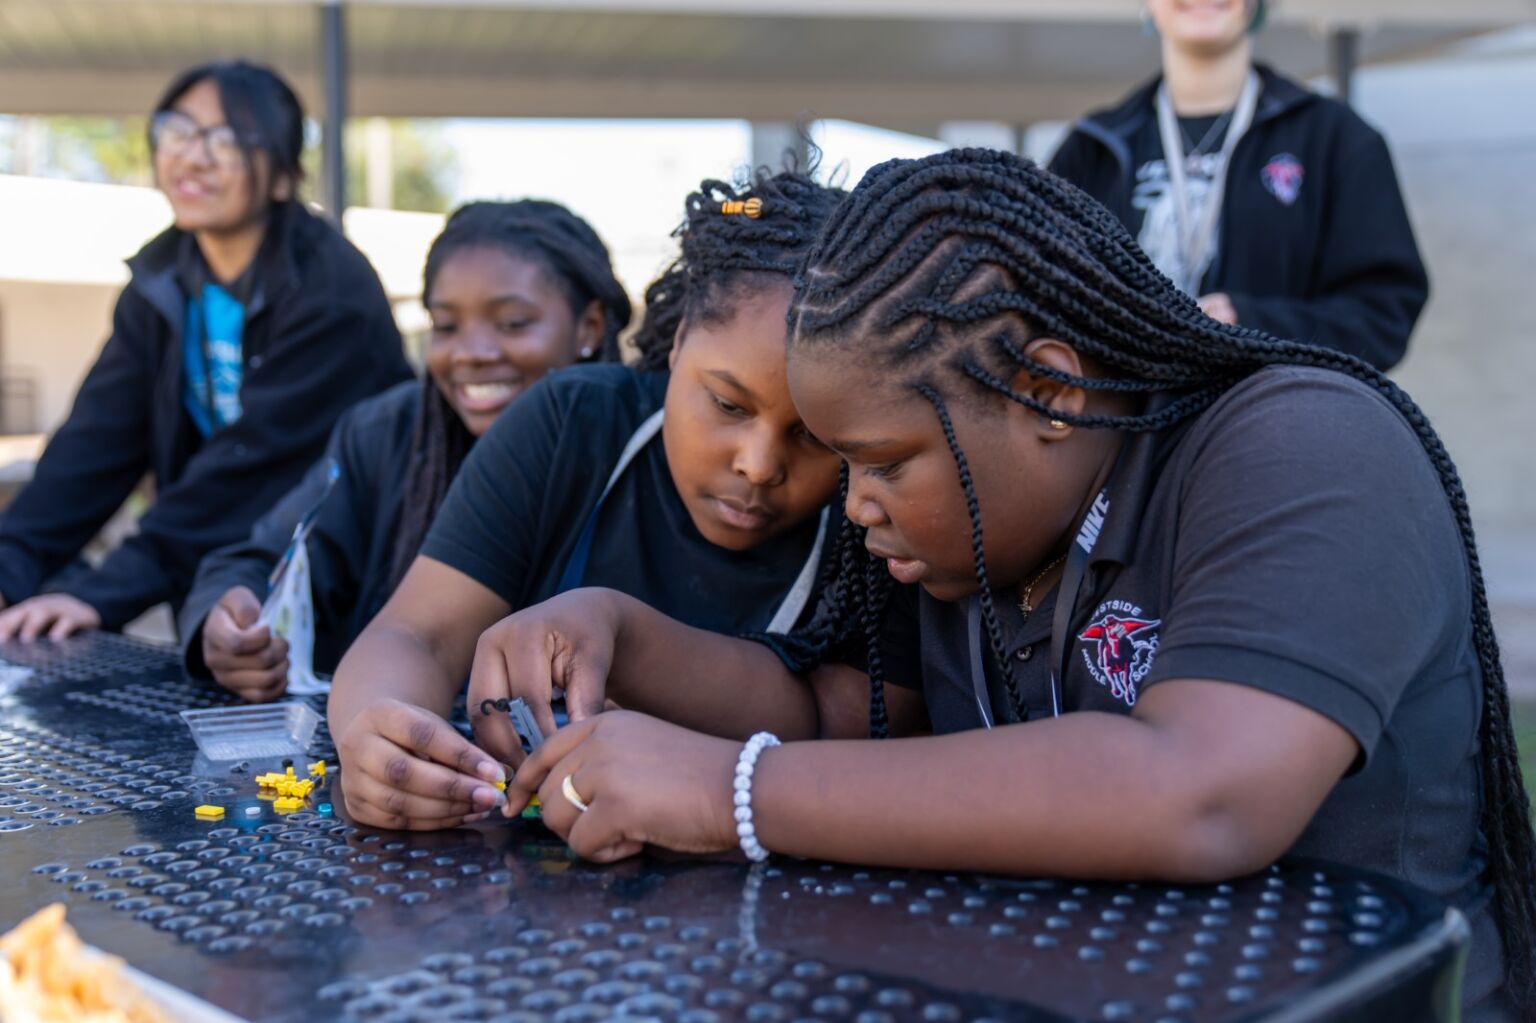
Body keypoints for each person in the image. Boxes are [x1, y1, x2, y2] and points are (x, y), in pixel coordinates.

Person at [473, 151, 1534, 1022]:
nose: (855, 504)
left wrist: (729, 791)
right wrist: (613, 630)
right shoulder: (981, 537)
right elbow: (842, 716)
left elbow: (1203, 790)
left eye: (884, 463)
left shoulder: (1303, 444)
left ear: (1048, 392)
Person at [325, 168, 847, 833]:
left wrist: (626, 637)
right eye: (725, 403)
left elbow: (842, 720)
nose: (759, 463)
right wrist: (381, 731)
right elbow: (416, 633)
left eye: (814, 434)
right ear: (680, 340)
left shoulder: (875, 502)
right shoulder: (574, 422)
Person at [0, 60, 410, 642]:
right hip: (220, 579)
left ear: (284, 177)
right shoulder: (161, 278)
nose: (193, 157)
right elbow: (95, 442)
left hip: (345, 587)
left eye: (228, 140)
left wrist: (100, 593)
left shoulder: (332, 290)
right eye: (178, 131)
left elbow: (248, 471)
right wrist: (10, 566)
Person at [178, 200, 632, 700]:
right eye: (446, 326)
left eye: (513, 324)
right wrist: (227, 625)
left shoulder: (643, 451)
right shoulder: (388, 433)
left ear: (589, 327)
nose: (471, 353)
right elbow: (264, 558)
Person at [1048, 0, 1427, 371]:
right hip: (1124, 425)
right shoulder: (1093, 147)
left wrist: (1249, 324)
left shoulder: (1336, 139)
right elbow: (1044, 292)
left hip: (1271, 423)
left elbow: (1384, 314)